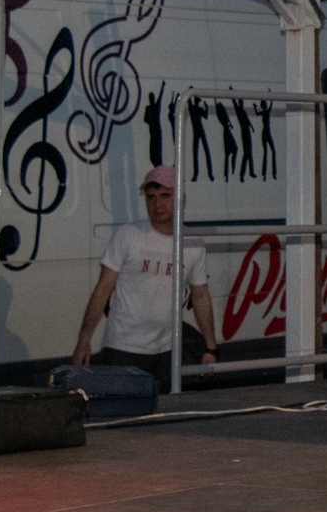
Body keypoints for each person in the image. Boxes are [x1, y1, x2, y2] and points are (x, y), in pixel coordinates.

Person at [70, 166, 218, 391]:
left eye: (165, 196)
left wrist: (210, 348)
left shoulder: (193, 243)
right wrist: (84, 338)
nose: (157, 204)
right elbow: (103, 288)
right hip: (123, 347)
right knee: (124, 409)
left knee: (164, 409)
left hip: (167, 351)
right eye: (151, 197)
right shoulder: (129, 235)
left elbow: (200, 296)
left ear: (182, 200)